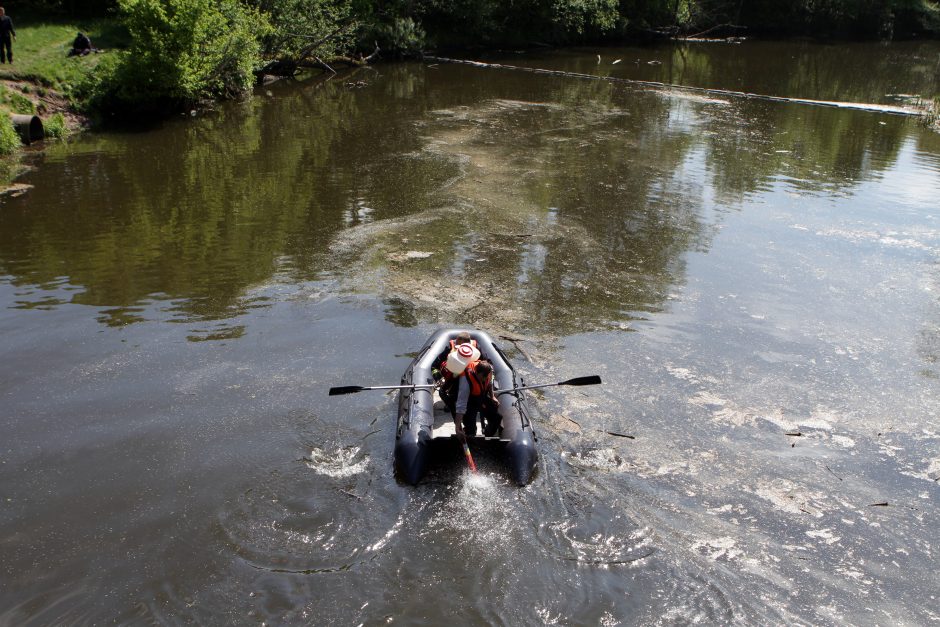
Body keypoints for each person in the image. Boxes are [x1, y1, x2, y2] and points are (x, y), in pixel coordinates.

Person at [453, 359, 502, 441]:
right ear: (476, 371)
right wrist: (457, 428)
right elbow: (461, 405)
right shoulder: (465, 381)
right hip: (470, 401)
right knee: (471, 429)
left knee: (496, 418)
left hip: (481, 397)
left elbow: (489, 383)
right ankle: (469, 436)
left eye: (486, 376)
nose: (484, 379)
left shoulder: (488, 371)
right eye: (483, 377)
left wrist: (492, 396)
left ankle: (488, 435)